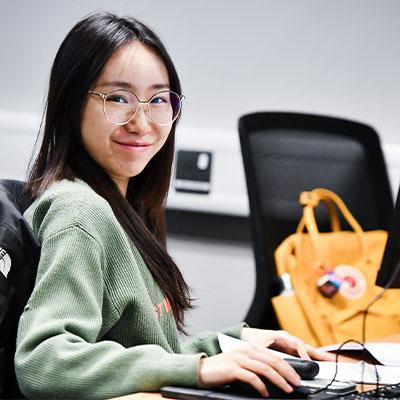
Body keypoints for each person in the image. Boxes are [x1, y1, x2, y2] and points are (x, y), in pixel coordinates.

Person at [15, 12, 332, 399]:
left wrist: (233, 345)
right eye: (118, 98)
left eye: (159, 100)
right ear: (70, 104)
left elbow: (145, 354)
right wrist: (197, 369)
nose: (142, 122)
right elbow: (45, 361)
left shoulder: (123, 208)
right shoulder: (80, 211)